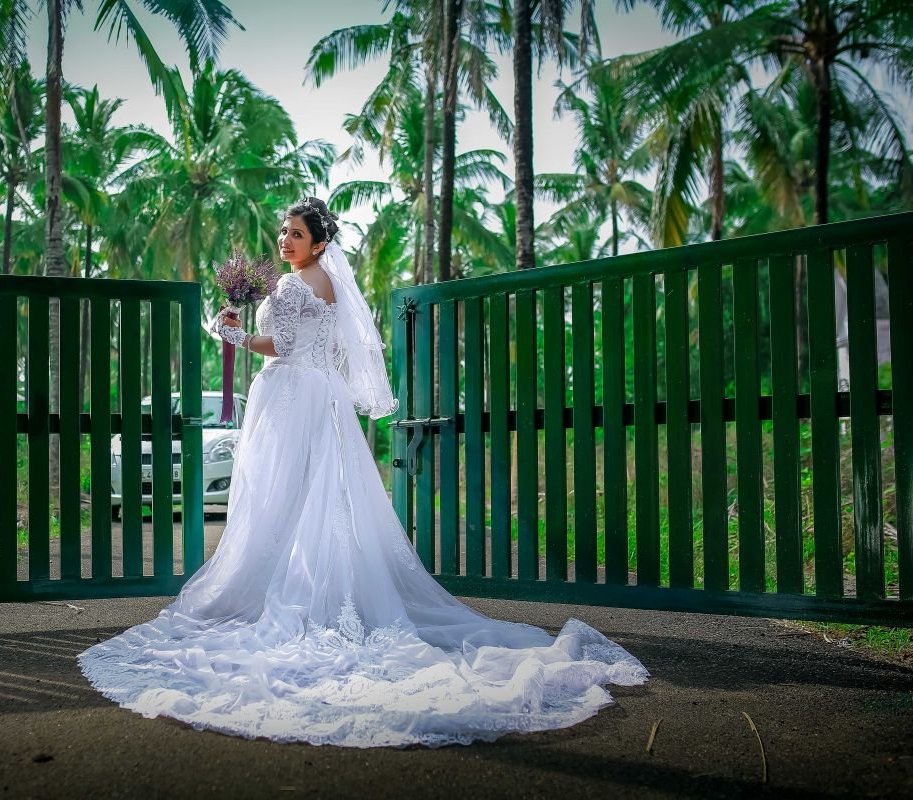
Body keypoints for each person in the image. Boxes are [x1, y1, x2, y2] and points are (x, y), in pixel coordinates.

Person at [77, 197, 649, 748]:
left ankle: (283, 595)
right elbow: (312, 345)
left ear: (319, 242)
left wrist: (227, 333)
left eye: (296, 234)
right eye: (284, 233)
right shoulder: (326, 284)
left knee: (283, 497)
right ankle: (316, 586)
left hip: (291, 396)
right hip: (322, 398)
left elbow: (279, 346)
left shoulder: (293, 284)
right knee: (321, 498)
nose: (285, 241)